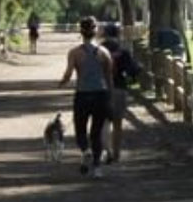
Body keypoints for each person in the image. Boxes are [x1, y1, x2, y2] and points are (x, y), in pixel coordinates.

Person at [58, 15, 114, 176]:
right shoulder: (104, 52)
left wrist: (62, 82)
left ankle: (86, 149)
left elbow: (68, 74)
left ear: (80, 32)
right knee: (96, 132)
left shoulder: (74, 53)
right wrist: (110, 98)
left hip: (82, 94)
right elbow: (109, 78)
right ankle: (97, 167)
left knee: (80, 130)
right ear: (95, 31)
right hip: (100, 95)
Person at [100, 21, 144, 163]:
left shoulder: (98, 50)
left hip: (101, 90)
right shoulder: (123, 51)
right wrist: (138, 69)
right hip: (119, 88)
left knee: (102, 122)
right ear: (117, 34)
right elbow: (132, 70)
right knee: (117, 123)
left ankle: (106, 150)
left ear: (105, 34)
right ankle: (116, 153)